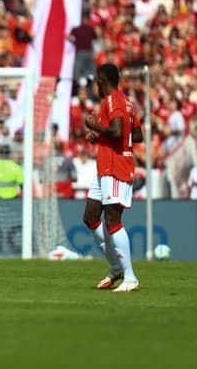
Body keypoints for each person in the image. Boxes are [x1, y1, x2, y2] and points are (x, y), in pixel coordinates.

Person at [83, 63, 143, 292]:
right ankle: (117, 266)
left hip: (115, 167)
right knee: (90, 217)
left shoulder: (113, 100)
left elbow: (118, 131)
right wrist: (101, 137)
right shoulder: (126, 102)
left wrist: (95, 125)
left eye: (96, 81)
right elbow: (135, 134)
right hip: (105, 167)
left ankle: (130, 277)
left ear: (101, 80)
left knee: (113, 221)